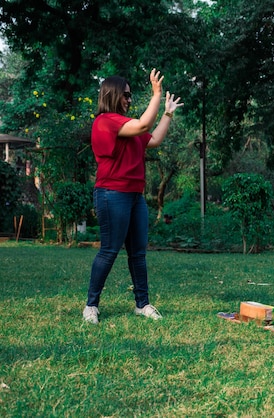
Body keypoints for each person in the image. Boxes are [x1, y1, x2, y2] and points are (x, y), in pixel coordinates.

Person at [83, 69, 184, 324]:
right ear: (113, 95)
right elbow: (143, 124)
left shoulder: (128, 127)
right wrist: (157, 94)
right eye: (126, 95)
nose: (129, 99)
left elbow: (154, 139)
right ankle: (91, 306)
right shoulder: (105, 121)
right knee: (109, 250)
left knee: (138, 253)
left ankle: (142, 304)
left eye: (130, 95)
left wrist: (168, 113)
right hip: (111, 193)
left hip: (135, 196)